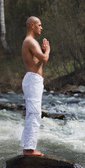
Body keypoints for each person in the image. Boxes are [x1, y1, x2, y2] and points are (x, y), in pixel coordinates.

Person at [21, 16, 50, 157]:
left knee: (34, 113)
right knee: (34, 113)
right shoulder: (30, 41)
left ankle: (29, 147)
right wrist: (47, 51)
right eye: (39, 25)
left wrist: (43, 51)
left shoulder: (31, 42)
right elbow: (44, 59)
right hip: (33, 80)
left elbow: (39, 63)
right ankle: (29, 149)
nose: (41, 27)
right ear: (32, 26)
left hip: (34, 80)